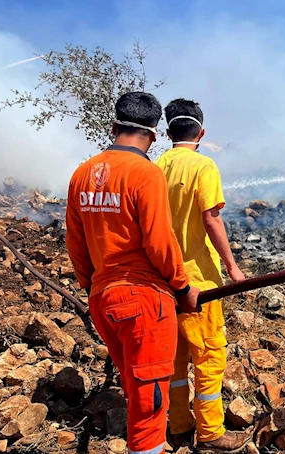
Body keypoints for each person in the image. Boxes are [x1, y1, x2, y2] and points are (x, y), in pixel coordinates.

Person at [66, 92, 200, 454]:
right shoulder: (146, 174)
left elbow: (76, 244)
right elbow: (160, 242)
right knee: (149, 405)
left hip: (102, 300)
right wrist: (183, 286)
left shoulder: (82, 174)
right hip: (144, 302)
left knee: (134, 386)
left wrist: (92, 285)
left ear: (114, 127)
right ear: (154, 136)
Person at [154, 98, 251, 453]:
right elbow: (211, 218)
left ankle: (179, 427)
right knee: (209, 358)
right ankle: (211, 434)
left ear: (167, 133)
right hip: (200, 283)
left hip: (165, 281)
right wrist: (233, 267)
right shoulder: (203, 165)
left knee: (176, 360)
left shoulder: (155, 165)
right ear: (201, 132)